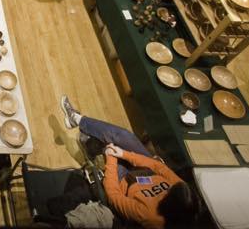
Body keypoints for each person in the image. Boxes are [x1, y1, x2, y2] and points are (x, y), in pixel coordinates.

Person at [60, 96, 198, 229]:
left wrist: (112, 158)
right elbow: (158, 166)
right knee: (124, 136)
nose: (169, 189)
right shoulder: (183, 193)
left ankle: (95, 143)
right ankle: (77, 119)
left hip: (125, 180)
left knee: (109, 146)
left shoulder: (151, 216)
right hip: (147, 169)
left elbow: (114, 196)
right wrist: (123, 153)